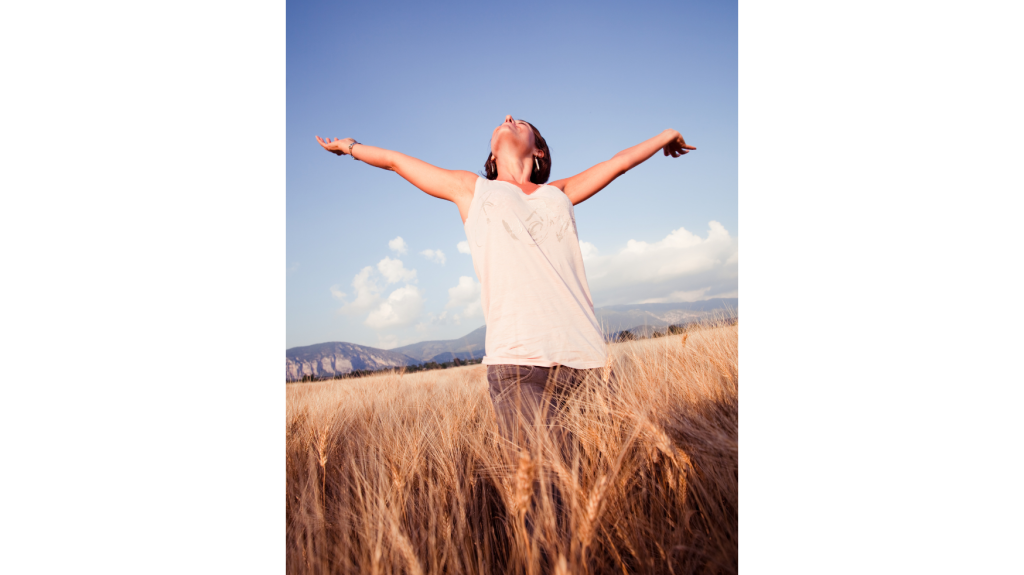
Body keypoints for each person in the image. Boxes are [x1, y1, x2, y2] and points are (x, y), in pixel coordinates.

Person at [316, 116, 695, 427]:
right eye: (504, 121)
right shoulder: (472, 189)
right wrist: (351, 147)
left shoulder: (559, 192)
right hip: (518, 364)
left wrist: (666, 135)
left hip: (587, 358)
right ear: (491, 158)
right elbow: (397, 161)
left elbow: (619, 162)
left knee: (605, 489)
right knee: (546, 502)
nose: (509, 119)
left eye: (522, 121)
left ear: (539, 150)